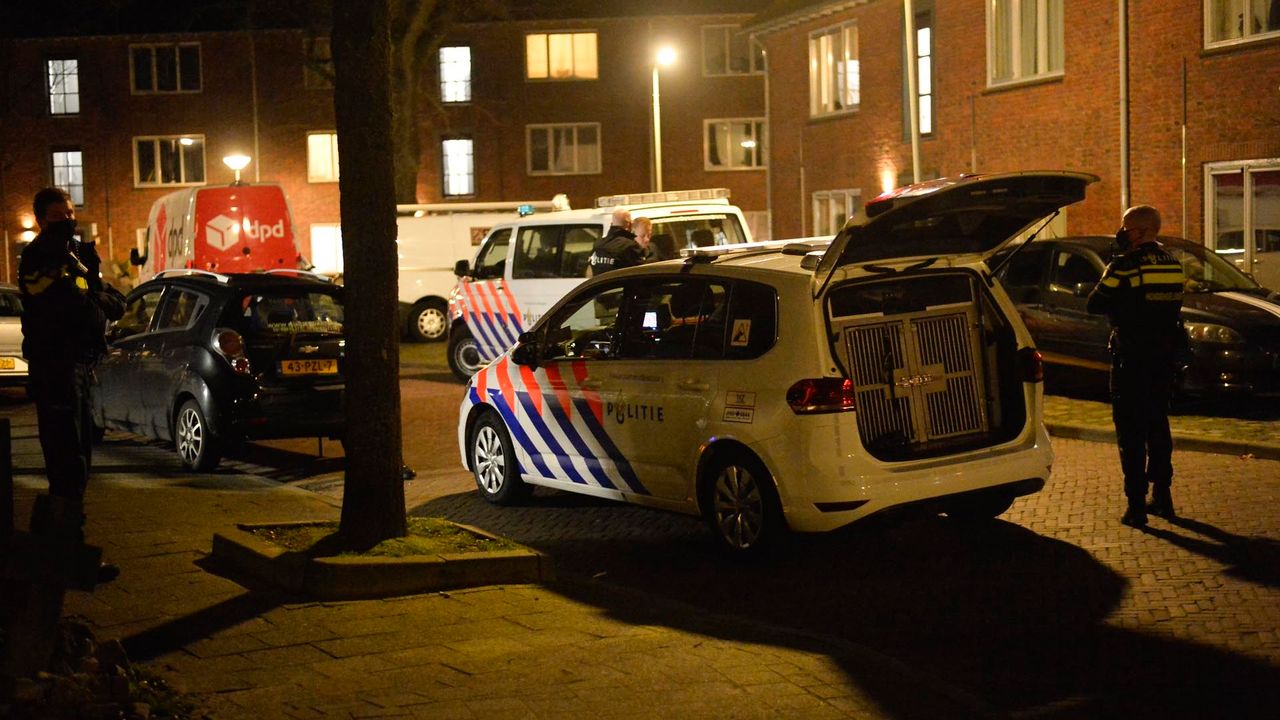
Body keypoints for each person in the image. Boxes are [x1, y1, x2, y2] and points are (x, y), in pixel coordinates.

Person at [19, 187, 124, 579]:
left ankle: (60, 551)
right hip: (55, 369)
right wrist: (97, 299)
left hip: (79, 366)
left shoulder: (76, 254)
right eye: (57, 215)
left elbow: (110, 300)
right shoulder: (40, 256)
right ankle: (64, 556)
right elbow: (71, 306)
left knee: (78, 461)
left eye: (69, 212)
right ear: (41, 219)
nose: (67, 219)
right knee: (67, 464)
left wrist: (96, 297)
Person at [1086, 205, 1185, 528]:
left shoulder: (1124, 265)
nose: (1121, 233)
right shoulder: (1173, 263)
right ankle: (1163, 496)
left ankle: (1136, 505)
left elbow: (1094, 303)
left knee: (1130, 430)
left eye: (1126, 228)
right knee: (1158, 424)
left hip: (1131, 357)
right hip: (1164, 357)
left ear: (1141, 231)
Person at [587, 208, 645, 275]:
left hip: (600, 282)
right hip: (621, 282)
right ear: (629, 224)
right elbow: (640, 273)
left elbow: (590, 271)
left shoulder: (598, 244)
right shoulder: (630, 246)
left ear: (612, 224)